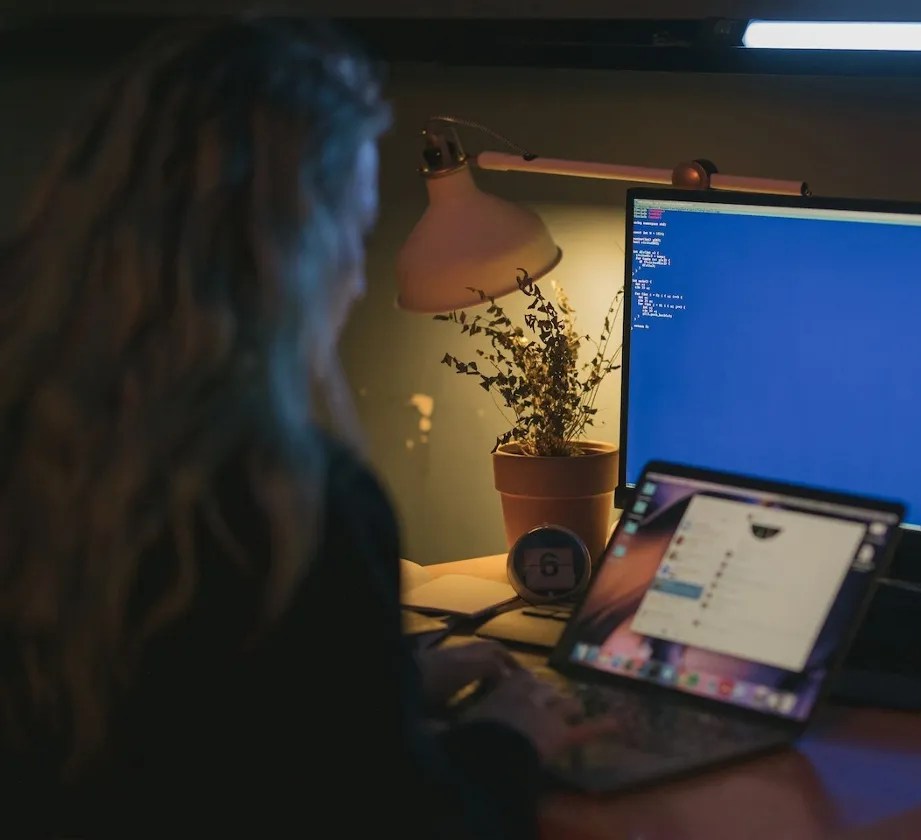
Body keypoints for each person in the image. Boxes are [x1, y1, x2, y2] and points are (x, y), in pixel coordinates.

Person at [0, 18, 600, 838]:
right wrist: (510, 737)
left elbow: (194, 714)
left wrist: (383, 681)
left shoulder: (41, 440)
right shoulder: (294, 504)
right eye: (356, 228)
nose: (357, 279)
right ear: (301, 247)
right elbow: (404, 823)